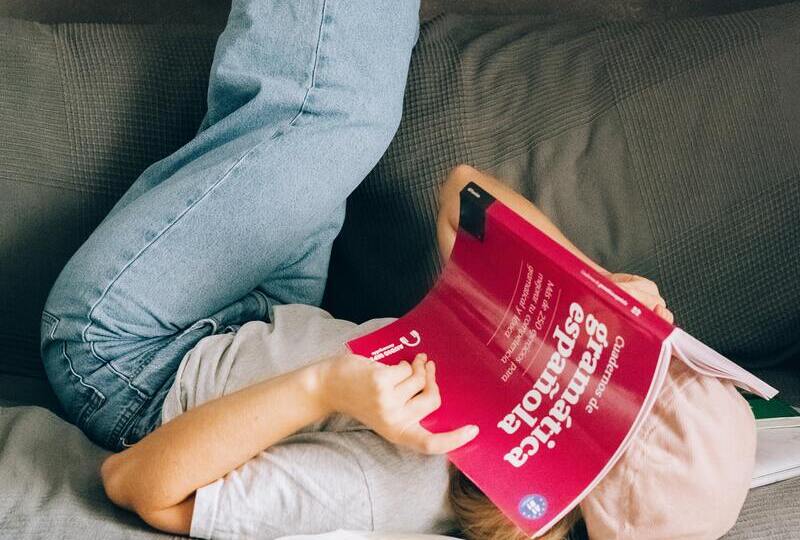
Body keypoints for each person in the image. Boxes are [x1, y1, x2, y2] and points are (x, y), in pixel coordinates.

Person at [98, 165, 756, 539]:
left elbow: (137, 486)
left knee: (341, 109)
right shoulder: (519, 374)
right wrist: (592, 287)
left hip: (138, 366)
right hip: (266, 314)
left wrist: (323, 389)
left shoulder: (390, 489)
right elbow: (464, 196)